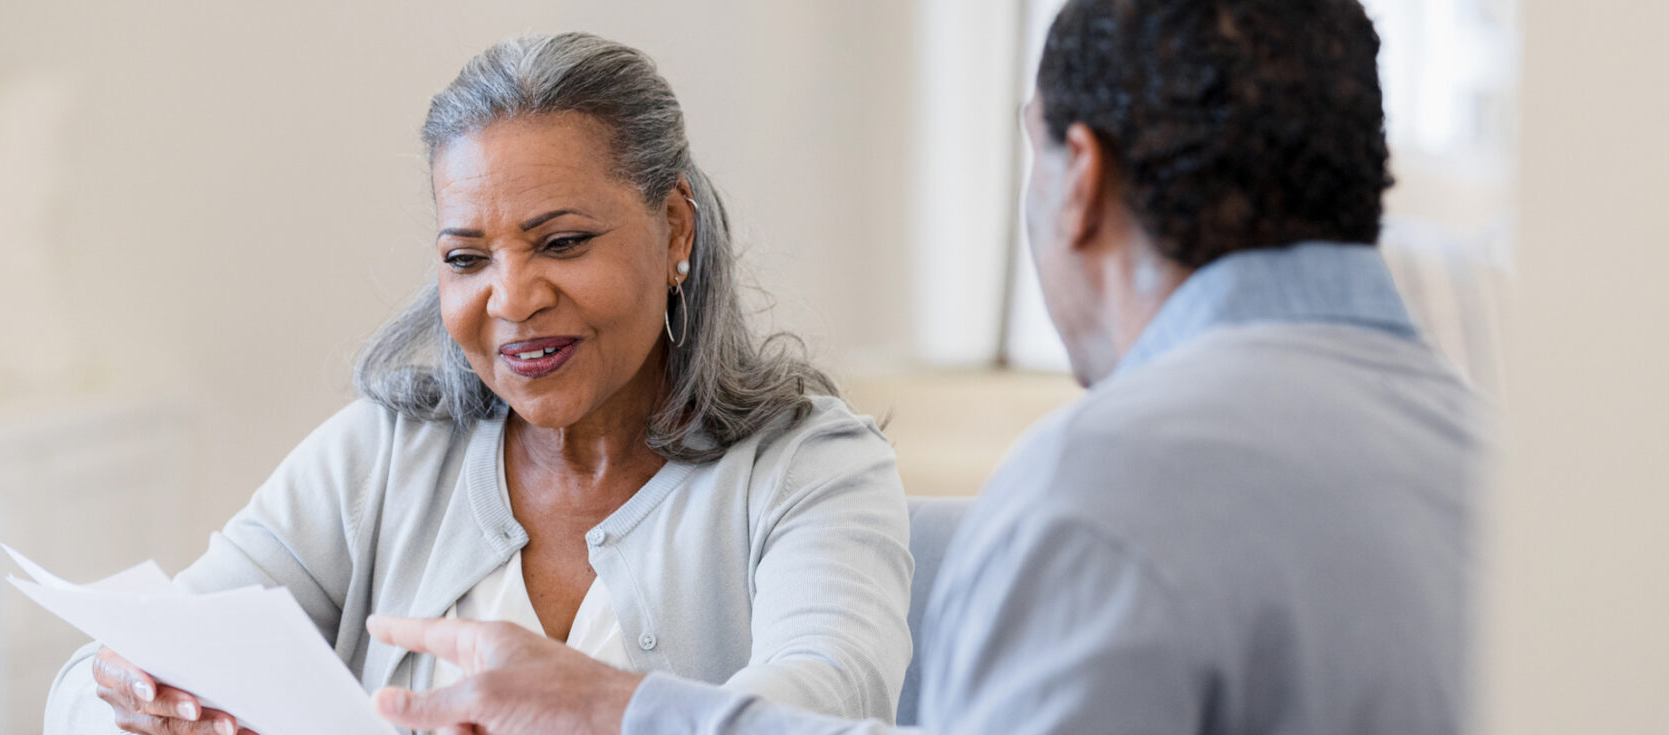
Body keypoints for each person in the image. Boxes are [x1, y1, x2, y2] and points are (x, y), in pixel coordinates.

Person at [365, 1, 1487, 733]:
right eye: (468, 255)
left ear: (1079, 177)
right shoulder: (1512, 473)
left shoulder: (1106, 496)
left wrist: (620, 715)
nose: (512, 292)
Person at [41, 32, 915, 735]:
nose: (513, 298)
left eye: (563, 241)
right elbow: (95, 678)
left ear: (675, 229)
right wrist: (130, 698)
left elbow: (825, 702)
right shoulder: (379, 455)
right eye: (467, 258)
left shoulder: (812, 468)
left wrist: (598, 711)